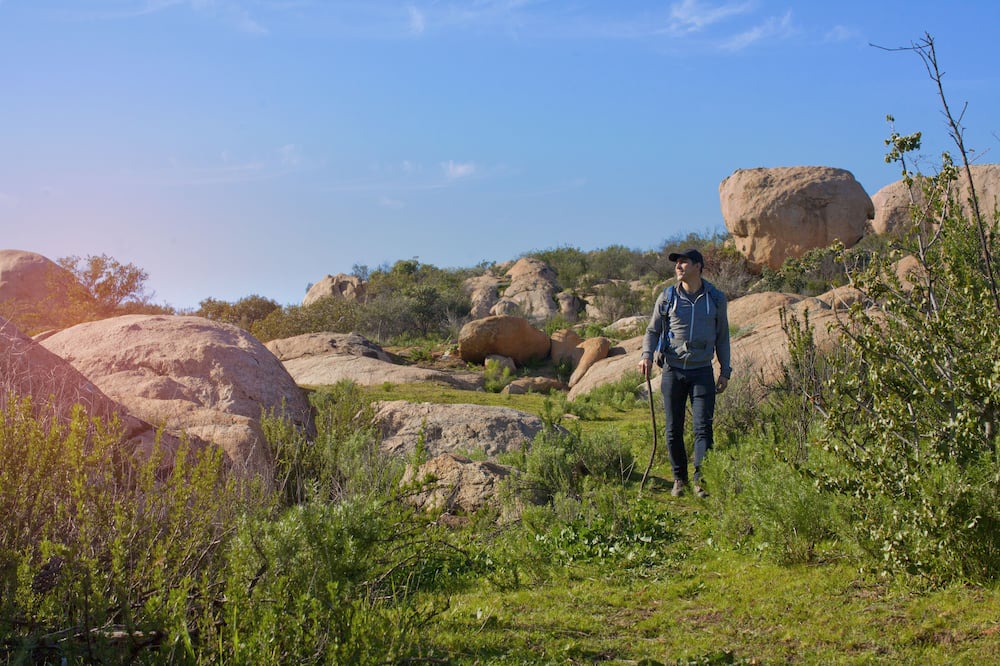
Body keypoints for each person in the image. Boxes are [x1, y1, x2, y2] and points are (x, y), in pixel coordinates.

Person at [637, 249, 731, 497]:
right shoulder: (667, 297)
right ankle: (679, 479)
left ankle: (702, 481)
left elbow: (723, 338)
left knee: (703, 428)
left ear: (698, 266)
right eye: (677, 263)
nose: (678, 267)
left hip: (702, 371)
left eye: (683, 262)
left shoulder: (715, 298)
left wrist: (725, 370)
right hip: (673, 370)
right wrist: (646, 355)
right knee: (673, 429)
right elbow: (652, 331)